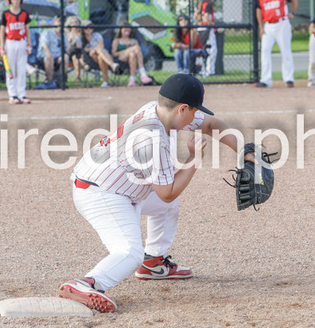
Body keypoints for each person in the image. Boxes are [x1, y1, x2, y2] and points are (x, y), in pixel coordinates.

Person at [58, 73, 254, 313]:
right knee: (130, 253)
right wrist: (193, 158)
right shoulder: (152, 139)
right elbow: (167, 192)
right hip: (101, 193)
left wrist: (245, 151)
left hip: (115, 183)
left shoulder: (159, 109)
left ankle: (153, 262)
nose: (196, 116)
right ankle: (87, 283)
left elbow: (213, 125)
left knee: (166, 208)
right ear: (182, 109)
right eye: (194, 110)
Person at [255, 0, 297, 87]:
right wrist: (261, 27)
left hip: (282, 24)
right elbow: (259, 10)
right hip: (268, 25)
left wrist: (292, 13)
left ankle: (289, 78)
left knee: (286, 51)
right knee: (265, 51)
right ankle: (266, 80)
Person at [0, 0, 32, 104]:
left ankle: (22, 94)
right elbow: (2, 30)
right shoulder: (6, 14)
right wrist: (2, 46)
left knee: (21, 69)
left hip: (22, 42)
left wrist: (29, 44)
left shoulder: (24, 13)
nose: (16, 1)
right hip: (10, 42)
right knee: (11, 69)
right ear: (10, 0)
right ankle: (12, 94)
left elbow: (27, 29)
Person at [79, 20, 120, 88]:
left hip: (104, 56)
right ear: (83, 29)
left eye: (90, 27)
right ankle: (112, 65)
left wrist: (94, 49)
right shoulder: (80, 38)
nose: (89, 29)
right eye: (86, 28)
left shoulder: (97, 35)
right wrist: (92, 50)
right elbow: (82, 50)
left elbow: (101, 46)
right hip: (90, 60)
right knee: (98, 51)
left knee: (100, 56)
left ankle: (106, 82)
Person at [111, 22, 153, 86]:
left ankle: (132, 80)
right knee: (136, 47)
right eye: (125, 30)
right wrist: (126, 50)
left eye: (128, 30)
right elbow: (114, 53)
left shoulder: (134, 40)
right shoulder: (117, 40)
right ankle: (143, 73)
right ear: (121, 30)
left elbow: (138, 52)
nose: (127, 32)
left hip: (133, 59)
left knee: (132, 54)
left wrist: (130, 51)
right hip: (121, 57)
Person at [197, 0, 218, 77]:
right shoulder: (208, 5)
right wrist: (212, 24)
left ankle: (202, 70)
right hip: (207, 29)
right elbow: (206, 17)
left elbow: (196, 15)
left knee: (202, 50)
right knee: (212, 50)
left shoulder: (200, 4)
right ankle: (210, 71)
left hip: (200, 29)